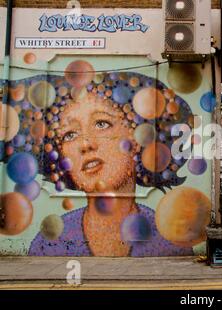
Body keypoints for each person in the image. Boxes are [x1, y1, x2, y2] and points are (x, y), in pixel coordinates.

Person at [25, 71, 194, 257]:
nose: (85, 144)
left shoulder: (170, 241)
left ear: (138, 137)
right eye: (69, 135)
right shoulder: (49, 244)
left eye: (101, 124)